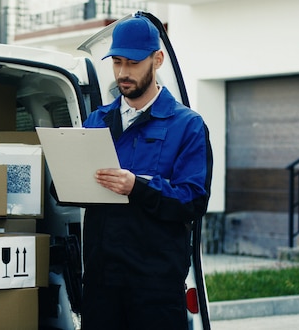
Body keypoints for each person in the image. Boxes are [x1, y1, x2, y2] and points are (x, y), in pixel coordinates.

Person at [80, 14, 213, 329]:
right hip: (101, 284)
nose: (123, 73)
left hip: (155, 289)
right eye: (117, 62)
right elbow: (74, 191)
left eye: (134, 62)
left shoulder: (187, 125)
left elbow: (193, 201)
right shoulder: (97, 120)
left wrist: (136, 187)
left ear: (158, 59)